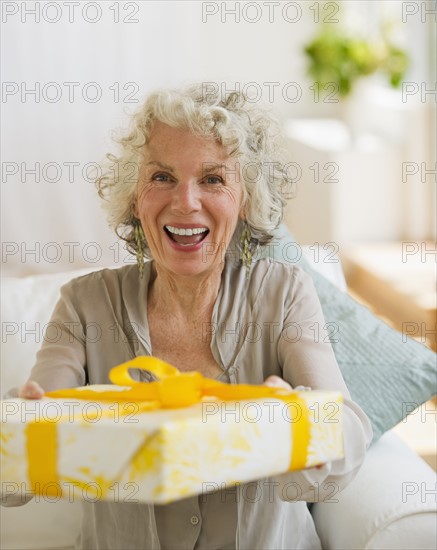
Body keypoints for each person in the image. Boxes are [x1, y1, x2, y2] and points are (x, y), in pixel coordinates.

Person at [7, 84, 372, 549]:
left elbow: (348, 432)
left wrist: (298, 419)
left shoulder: (283, 293)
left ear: (244, 200)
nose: (185, 202)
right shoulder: (85, 305)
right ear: (135, 197)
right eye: (161, 176)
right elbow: (23, 460)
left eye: (214, 179)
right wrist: (25, 426)